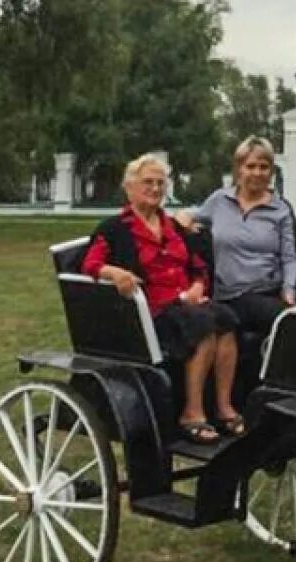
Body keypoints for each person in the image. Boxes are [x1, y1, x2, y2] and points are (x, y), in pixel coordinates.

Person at [82, 154, 242, 444]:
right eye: (147, 183)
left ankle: (224, 406)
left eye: (160, 183)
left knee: (227, 320)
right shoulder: (114, 228)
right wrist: (114, 272)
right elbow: (90, 264)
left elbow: (198, 266)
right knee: (203, 324)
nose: (155, 189)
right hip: (150, 311)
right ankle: (192, 413)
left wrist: (196, 287)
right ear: (129, 188)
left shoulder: (173, 227)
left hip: (186, 303)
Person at [177, 136, 296, 336]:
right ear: (239, 169)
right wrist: (184, 217)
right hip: (235, 293)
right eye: (251, 166)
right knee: (285, 320)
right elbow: (193, 214)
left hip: (274, 286)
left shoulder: (280, 209)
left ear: (271, 171)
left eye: (264, 167)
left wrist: (289, 290)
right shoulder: (220, 200)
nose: (257, 173)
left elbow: (289, 257)